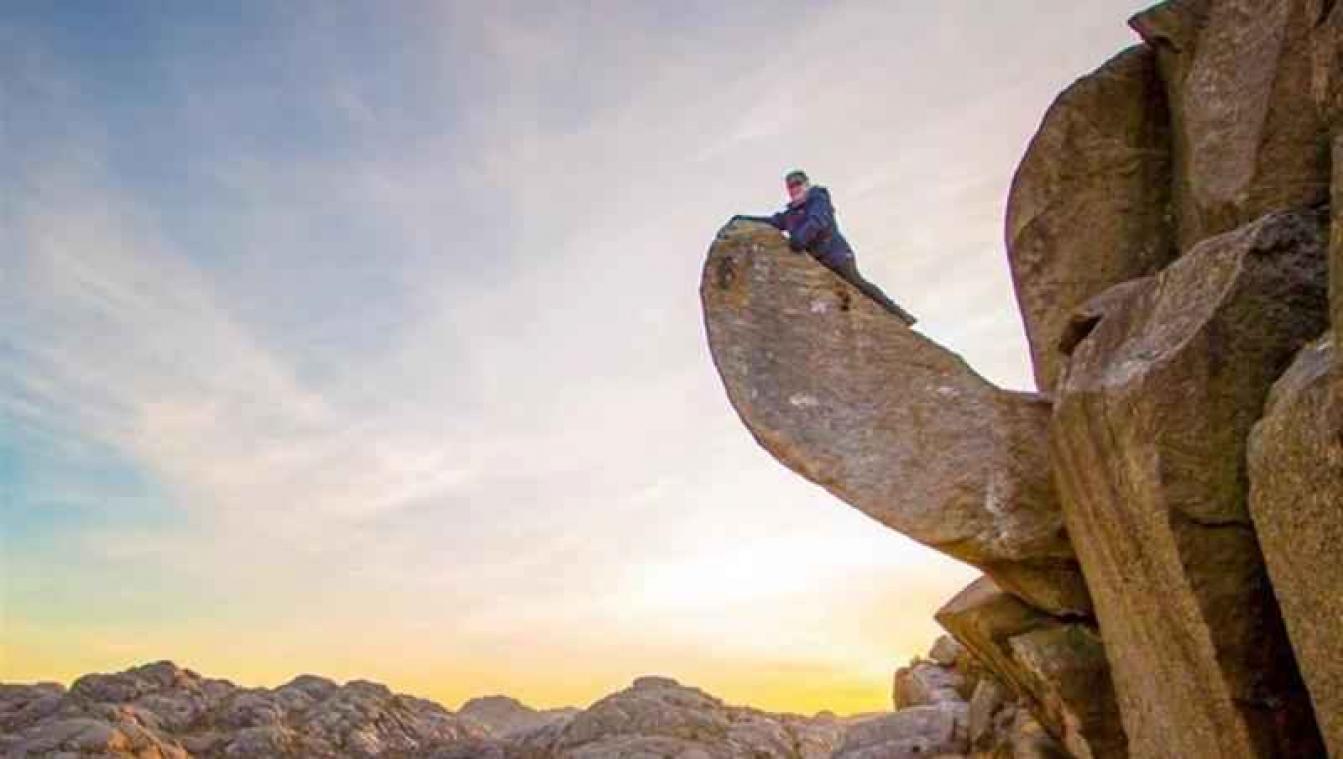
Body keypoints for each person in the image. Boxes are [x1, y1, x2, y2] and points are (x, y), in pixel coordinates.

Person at [733, 170, 917, 326]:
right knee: (834, 299)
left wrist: (800, 238)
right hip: (819, 264)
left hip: (836, 256)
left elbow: (817, 220)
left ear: (806, 184)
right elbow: (773, 222)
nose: (795, 189)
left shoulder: (818, 199)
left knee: (857, 284)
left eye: (798, 184)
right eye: (791, 187)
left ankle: (898, 315)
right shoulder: (790, 214)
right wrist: (743, 219)